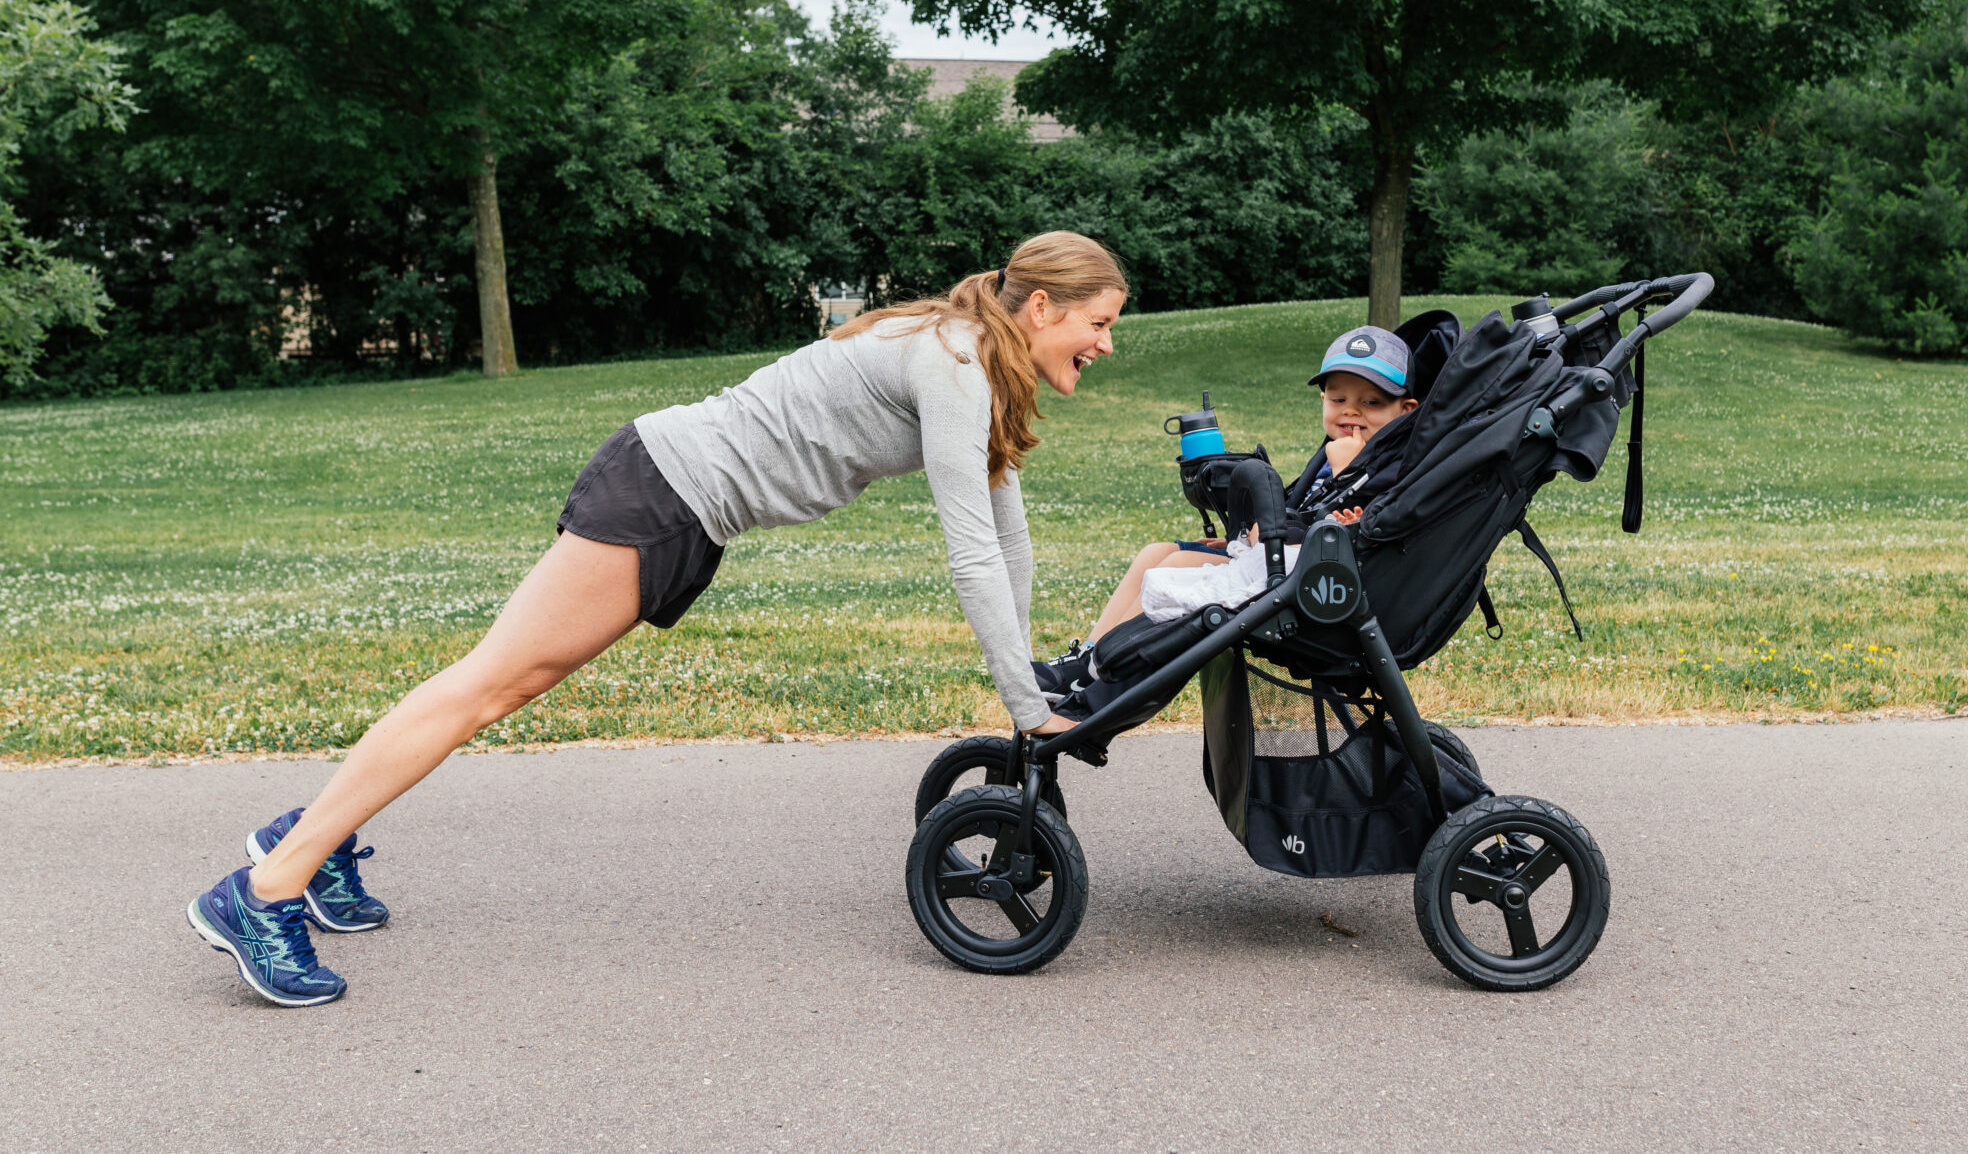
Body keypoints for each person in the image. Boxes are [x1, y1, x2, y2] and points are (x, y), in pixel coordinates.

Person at [186, 231, 1128, 1007]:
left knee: (499, 682)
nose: (1107, 343)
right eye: (1099, 322)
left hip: (685, 504)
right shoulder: (955, 362)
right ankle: (263, 888)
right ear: (1040, 307)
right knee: (486, 686)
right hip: (665, 490)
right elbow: (970, 553)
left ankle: (304, 839)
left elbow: (1009, 542)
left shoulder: (975, 359)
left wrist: (1029, 684)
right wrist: (1025, 702)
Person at [1044, 324, 1417, 668]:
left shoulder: (1387, 467)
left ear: (1405, 411)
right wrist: (1238, 538)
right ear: (1323, 400)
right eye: (1338, 399)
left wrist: (1347, 473)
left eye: (1371, 403)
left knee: (1170, 570)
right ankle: (1089, 654)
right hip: (1270, 558)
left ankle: (1104, 669)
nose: (1351, 410)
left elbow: (1358, 528)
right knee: (1156, 554)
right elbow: (1298, 508)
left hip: (1308, 585)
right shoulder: (1336, 449)